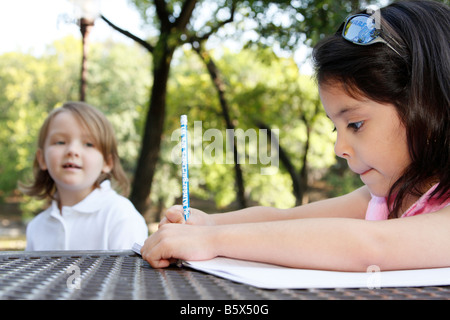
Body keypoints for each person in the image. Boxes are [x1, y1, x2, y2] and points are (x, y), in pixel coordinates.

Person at [140, 0, 449, 271]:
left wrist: (213, 240)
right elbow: (286, 219)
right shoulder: (388, 198)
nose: (339, 148)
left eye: (355, 124)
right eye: (335, 127)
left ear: (428, 103)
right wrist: (208, 224)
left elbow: (371, 246)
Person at [22, 101, 148, 250]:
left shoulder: (120, 216)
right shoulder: (37, 227)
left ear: (107, 162)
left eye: (88, 144)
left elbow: (133, 273)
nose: (72, 150)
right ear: (42, 158)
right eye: (60, 142)